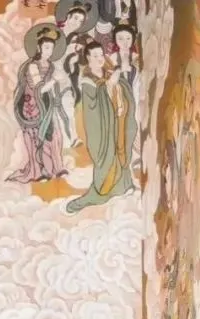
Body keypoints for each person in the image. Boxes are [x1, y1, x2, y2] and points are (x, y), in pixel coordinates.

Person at [65, 39, 137, 212]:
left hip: (117, 119)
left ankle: (124, 185)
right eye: (95, 55)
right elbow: (93, 105)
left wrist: (116, 83)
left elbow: (120, 88)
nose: (99, 59)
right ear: (88, 58)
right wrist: (111, 82)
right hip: (101, 126)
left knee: (120, 149)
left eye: (101, 55)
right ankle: (102, 191)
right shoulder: (87, 80)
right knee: (108, 155)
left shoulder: (108, 71)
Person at [8, 25, 67, 183]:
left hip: (47, 104)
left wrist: (58, 86)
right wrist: (55, 80)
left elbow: (52, 87)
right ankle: (38, 170)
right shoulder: (32, 66)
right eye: (46, 47)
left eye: (51, 48)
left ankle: (56, 167)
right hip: (32, 105)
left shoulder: (51, 66)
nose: (49, 51)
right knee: (36, 137)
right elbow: (39, 89)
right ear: (39, 48)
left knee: (54, 134)